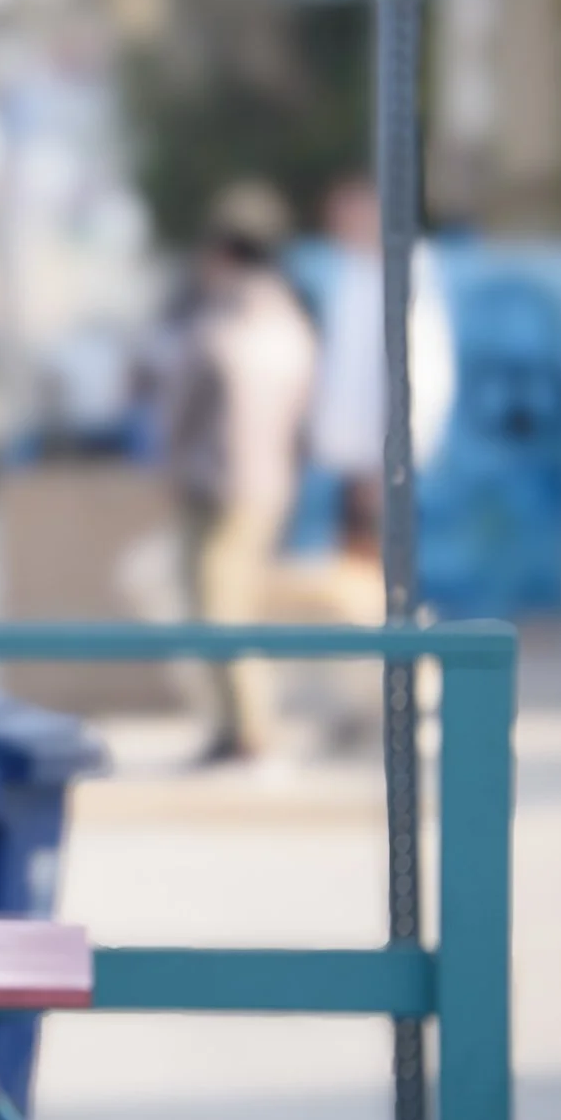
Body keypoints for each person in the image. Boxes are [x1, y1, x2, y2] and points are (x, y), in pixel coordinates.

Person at [159, 181, 320, 763]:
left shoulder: (221, 321)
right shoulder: (290, 320)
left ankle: (244, 728)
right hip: (269, 483)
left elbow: (183, 403)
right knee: (236, 603)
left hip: (214, 484)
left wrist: (173, 464)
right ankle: (245, 723)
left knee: (215, 610)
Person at [306, 173, 455, 584]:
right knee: (354, 553)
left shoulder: (406, 270)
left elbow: (416, 366)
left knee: (380, 556)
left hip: (384, 449)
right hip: (358, 452)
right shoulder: (355, 273)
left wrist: (394, 445)